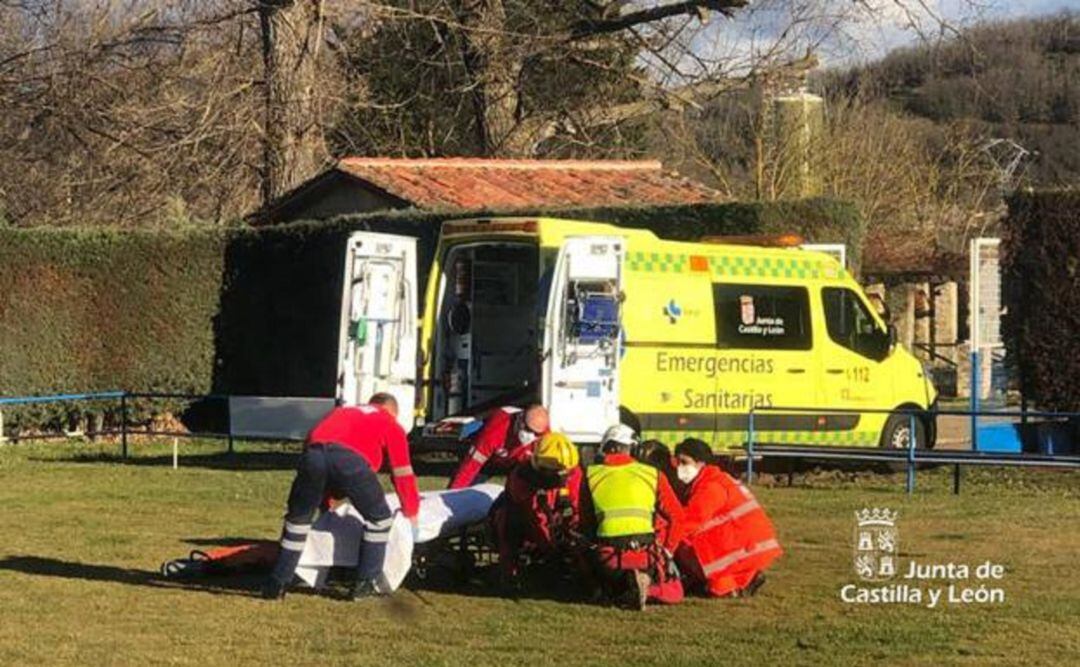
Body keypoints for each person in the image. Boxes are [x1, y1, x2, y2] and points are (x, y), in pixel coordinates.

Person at [261, 393, 420, 601]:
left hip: (313, 453)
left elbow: (315, 446)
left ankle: (278, 581)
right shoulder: (389, 423)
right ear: (392, 411)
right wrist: (411, 510)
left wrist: (326, 504)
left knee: (298, 521)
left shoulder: (342, 412)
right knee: (379, 519)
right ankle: (365, 582)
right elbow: (402, 472)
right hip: (351, 461)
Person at [580, 425, 684, 610]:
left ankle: (615, 589)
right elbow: (677, 518)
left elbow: (586, 524)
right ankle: (647, 588)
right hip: (646, 556)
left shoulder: (590, 475)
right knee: (675, 590)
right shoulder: (653, 475)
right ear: (632, 448)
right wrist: (667, 552)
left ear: (607, 448)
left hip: (608, 558)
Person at [668, 438, 781, 598]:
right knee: (716, 585)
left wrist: (663, 541)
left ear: (702, 463)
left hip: (743, 547)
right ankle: (744, 580)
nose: (679, 468)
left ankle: (740, 583)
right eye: (677, 462)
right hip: (749, 545)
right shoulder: (717, 479)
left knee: (684, 546)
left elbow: (689, 522)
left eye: (684, 462)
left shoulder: (711, 487)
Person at [489, 431, 582, 588]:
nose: (562, 477)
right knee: (507, 521)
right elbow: (533, 517)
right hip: (521, 522)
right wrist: (550, 549)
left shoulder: (574, 472)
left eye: (565, 473)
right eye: (556, 473)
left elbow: (577, 507)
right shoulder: (522, 477)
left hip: (553, 520)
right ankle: (509, 575)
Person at [448, 404, 549, 489]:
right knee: (463, 490)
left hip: (516, 464)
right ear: (520, 419)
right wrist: (452, 494)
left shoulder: (545, 436)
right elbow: (470, 466)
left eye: (536, 433)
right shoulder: (495, 430)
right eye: (528, 429)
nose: (530, 435)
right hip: (489, 461)